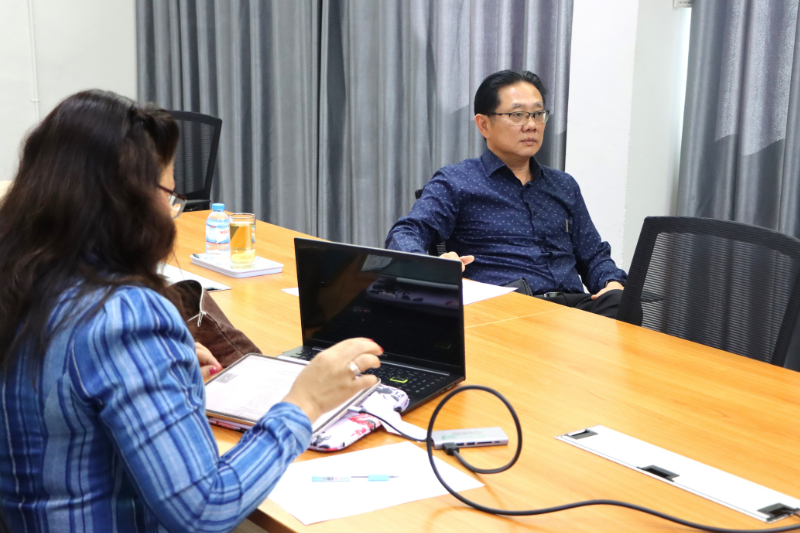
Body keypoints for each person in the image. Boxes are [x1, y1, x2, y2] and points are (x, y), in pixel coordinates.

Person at [0, 90, 382, 533]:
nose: (172, 214)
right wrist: (305, 402)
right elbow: (206, 509)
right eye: (170, 194)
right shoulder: (124, 315)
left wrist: (164, 380)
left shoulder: (20, 278)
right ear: (127, 201)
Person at [386, 70, 627, 318]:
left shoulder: (564, 185)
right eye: (517, 115)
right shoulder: (457, 181)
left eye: (538, 114)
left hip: (572, 312)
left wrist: (611, 282)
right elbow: (405, 233)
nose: (531, 125)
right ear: (484, 124)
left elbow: (593, 255)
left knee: (622, 303)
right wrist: (432, 266)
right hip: (505, 311)